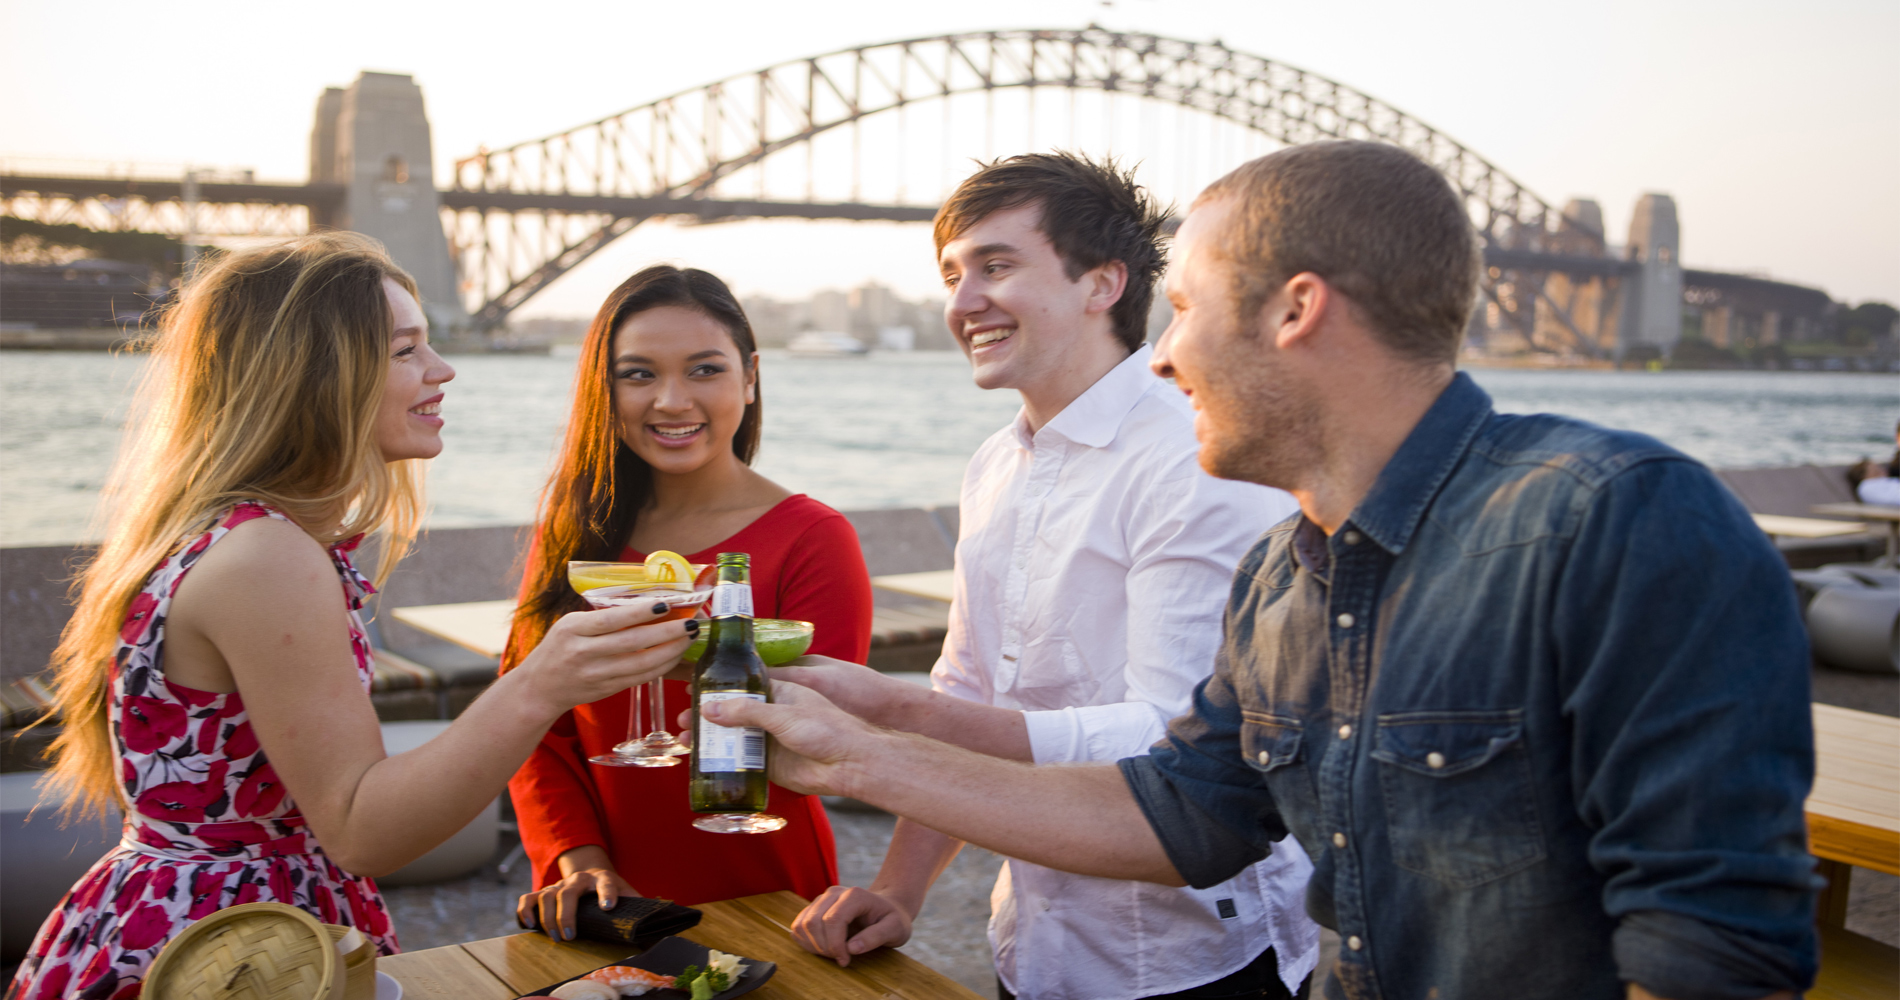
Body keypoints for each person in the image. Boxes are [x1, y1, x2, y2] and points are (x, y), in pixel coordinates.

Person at [701, 141, 1819, 1000]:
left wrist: (879, 743)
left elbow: (1709, 943)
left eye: (1182, 305)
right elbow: (1182, 818)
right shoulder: (1287, 575)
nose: (1167, 351)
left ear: (1296, 308)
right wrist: (872, 748)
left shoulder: (1614, 518)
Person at [9, 234, 691, 1000]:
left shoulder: (233, 534)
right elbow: (364, 829)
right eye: (406, 350)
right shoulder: (267, 556)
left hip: (201, 931)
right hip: (241, 955)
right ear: (316, 374)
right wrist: (542, 684)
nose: (443, 371)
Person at [782, 153, 1317, 1000]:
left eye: (996, 266)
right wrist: (899, 890)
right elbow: (965, 689)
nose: (962, 304)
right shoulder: (996, 463)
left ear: (1102, 283)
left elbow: (1179, 747)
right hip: (1032, 944)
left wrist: (887, 718)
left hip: (1189, 958)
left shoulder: (1189, 457)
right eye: (953, 275)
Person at [505, 265, 873, 940]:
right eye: (638, 374)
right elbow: (529, 723)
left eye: (704, 370)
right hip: (594, 897)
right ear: (603, 387)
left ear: (751, 376)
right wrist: (574, 858)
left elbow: (824, 740)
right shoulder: (574, 532)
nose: (672, 400)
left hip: (764, 889)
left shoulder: (815, 538)